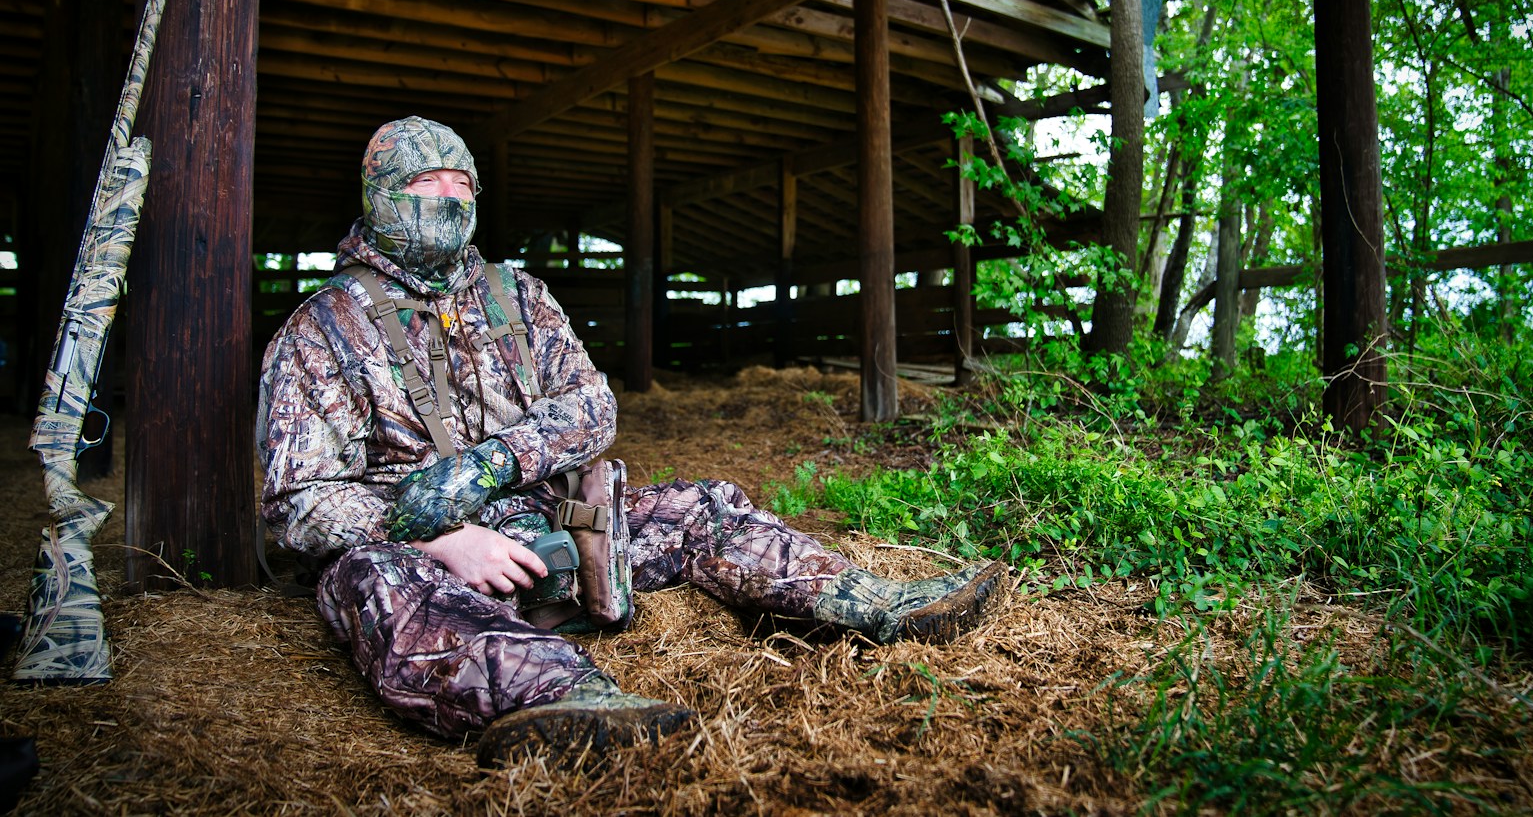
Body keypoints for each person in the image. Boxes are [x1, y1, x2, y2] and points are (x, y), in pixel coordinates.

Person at [256, 116, 1006, 767]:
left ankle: (869, 601)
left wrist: (501, 461)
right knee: (374, 581)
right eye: (428, 182)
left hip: (553, 530)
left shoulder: (517, 296)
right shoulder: (320, 333)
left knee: (703, 507)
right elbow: (295, 504)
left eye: (463, 184)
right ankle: (565, 698)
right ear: (381, 193)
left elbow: (590, 405)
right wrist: (438, 539)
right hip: (425, 561)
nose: (450, 200)